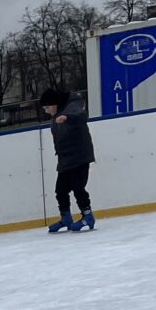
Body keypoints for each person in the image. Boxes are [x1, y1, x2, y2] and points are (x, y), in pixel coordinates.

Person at [39, 88, 96, 233]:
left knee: (78, 187)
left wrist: (67, 118)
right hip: (65, 159)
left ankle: (88, 216)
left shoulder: (72, 107)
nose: (46, 111)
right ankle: (66, 218)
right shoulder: (57, 113)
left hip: (80, 156)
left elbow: (82, 117)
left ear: (54, 103)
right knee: (60, 190)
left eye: (47, 107)